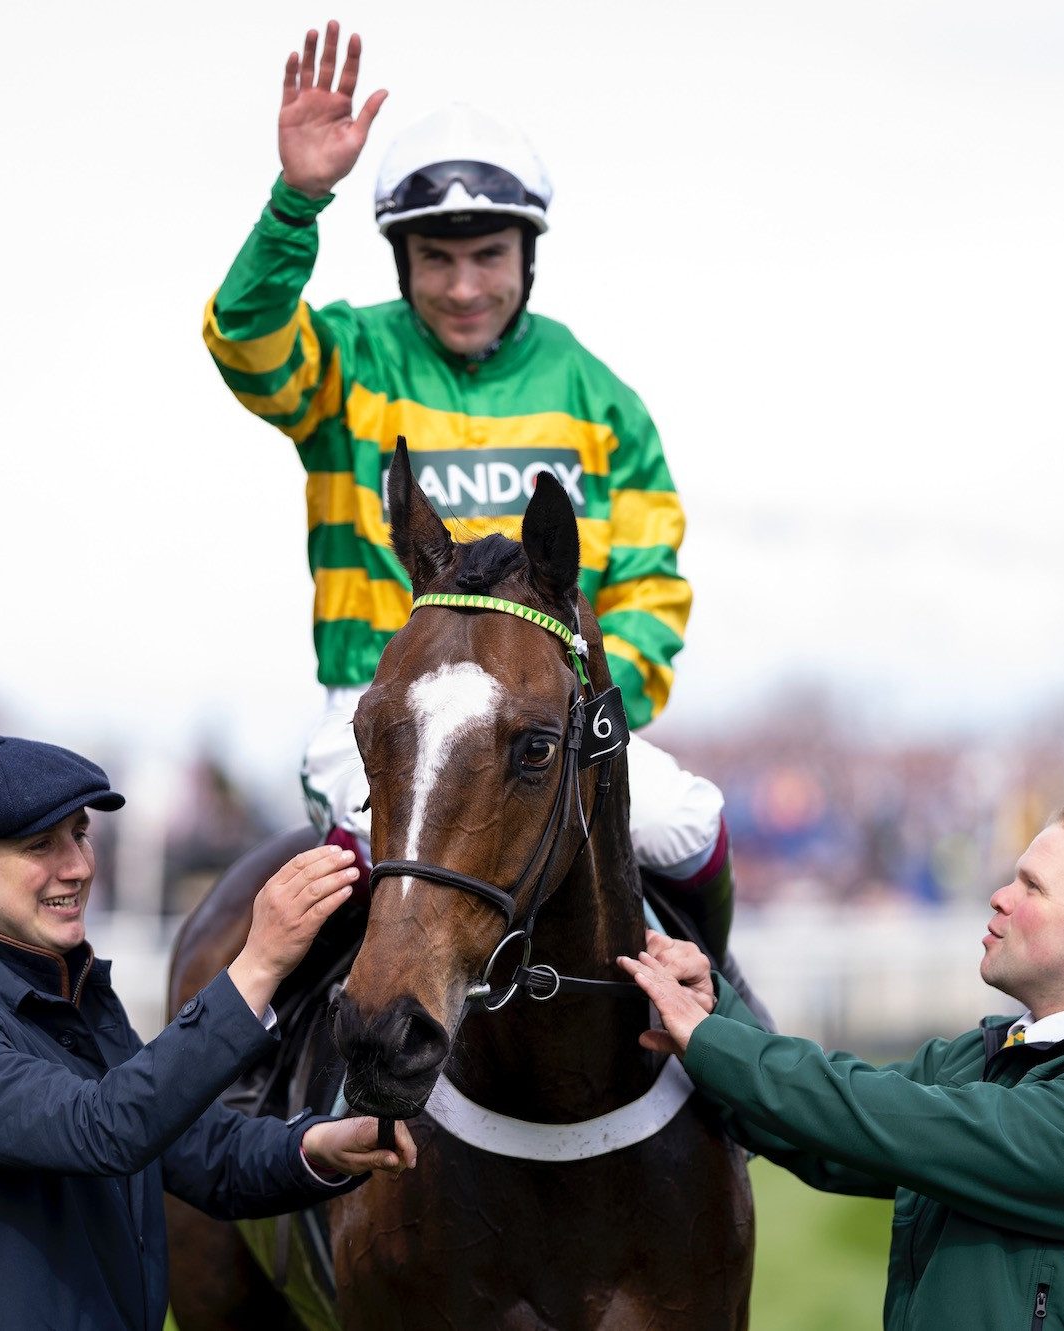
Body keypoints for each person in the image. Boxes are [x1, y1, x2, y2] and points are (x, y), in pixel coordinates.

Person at [202, 21, 735, 955]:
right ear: (402, 262)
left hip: (555, 720)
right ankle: (289, 1069)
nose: (461, 286)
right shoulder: (348, 359)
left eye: (486, 255)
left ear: (528, 256)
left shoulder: (602, 401)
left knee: (690, 822)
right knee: (386, 857)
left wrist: (580, 707)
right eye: (435, 260)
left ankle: (717, 1008)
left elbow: (653, 590)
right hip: (388, 716)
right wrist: (297, 201)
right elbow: (246, 345)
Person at [0, 735, 418, 1330]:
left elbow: (200, 1152)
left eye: (79, 833)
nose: (78, 866)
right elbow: (106, 1130)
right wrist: (257, 966)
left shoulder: (75, 997)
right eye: (40, 844)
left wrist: (312, 1147)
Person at [621, 799, 1064, 1329]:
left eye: (1032, 886)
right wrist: (712, 1009)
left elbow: (884, 1117)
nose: (999, 895)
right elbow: (828, 1132)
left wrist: (711, 1040)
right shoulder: (992, 1053)